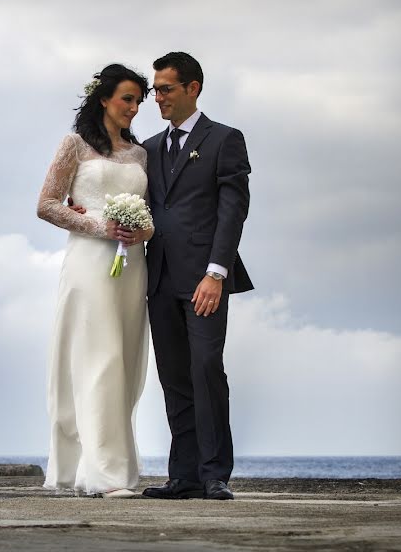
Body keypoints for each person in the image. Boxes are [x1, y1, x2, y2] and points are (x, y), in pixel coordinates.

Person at [140, 52, 253, 501]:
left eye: (165, 89)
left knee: (206, 369)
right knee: (173, 376)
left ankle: (214, 474)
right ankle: (182, 475)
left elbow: (233, 210)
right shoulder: (147, 148)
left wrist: (216, 272)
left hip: (205, 279)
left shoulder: (225, 139)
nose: (158, 98)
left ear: (193, 88)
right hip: (158, 278)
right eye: (155, 90)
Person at [37, 64, 153, 497]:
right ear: (104, 98)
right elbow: (47, 204)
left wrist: (143, 231)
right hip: (89, 262)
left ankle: (109, 462)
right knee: (97, 357)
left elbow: (152, 217)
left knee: (123, 360)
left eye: (139, 101)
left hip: (131, 267)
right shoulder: (75, 145)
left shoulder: (141, 155)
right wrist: (102, 227)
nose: (135, 107)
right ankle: (105, 475)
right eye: (128, 98)